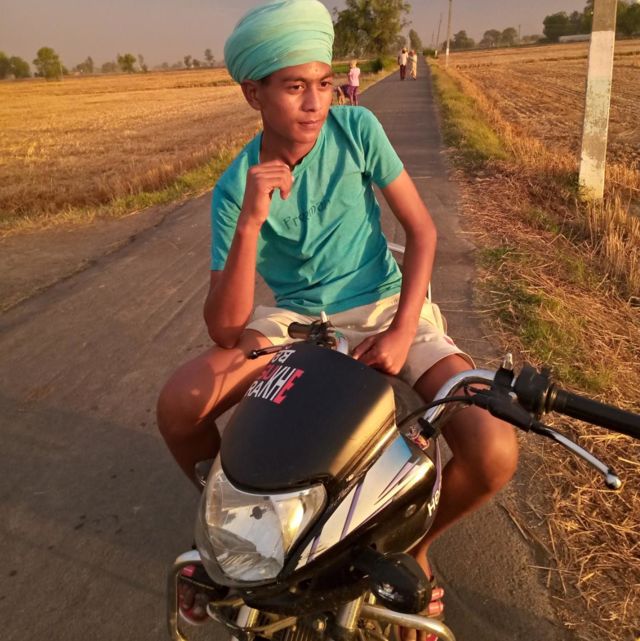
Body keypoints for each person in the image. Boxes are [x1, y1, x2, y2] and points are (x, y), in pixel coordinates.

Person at [157, 0, 518, 635]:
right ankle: (246, 538)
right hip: (295, 321)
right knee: (180, 403)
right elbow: (226, 327)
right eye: (294, 86)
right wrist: (250, 222)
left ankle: (409, 549)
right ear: (254, 93)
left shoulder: (357, 130)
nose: (315, 103)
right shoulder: (236, 185)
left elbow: (422, 232)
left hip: (385, 305)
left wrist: (402, 329)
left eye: (323, 84)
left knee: (492, 448)